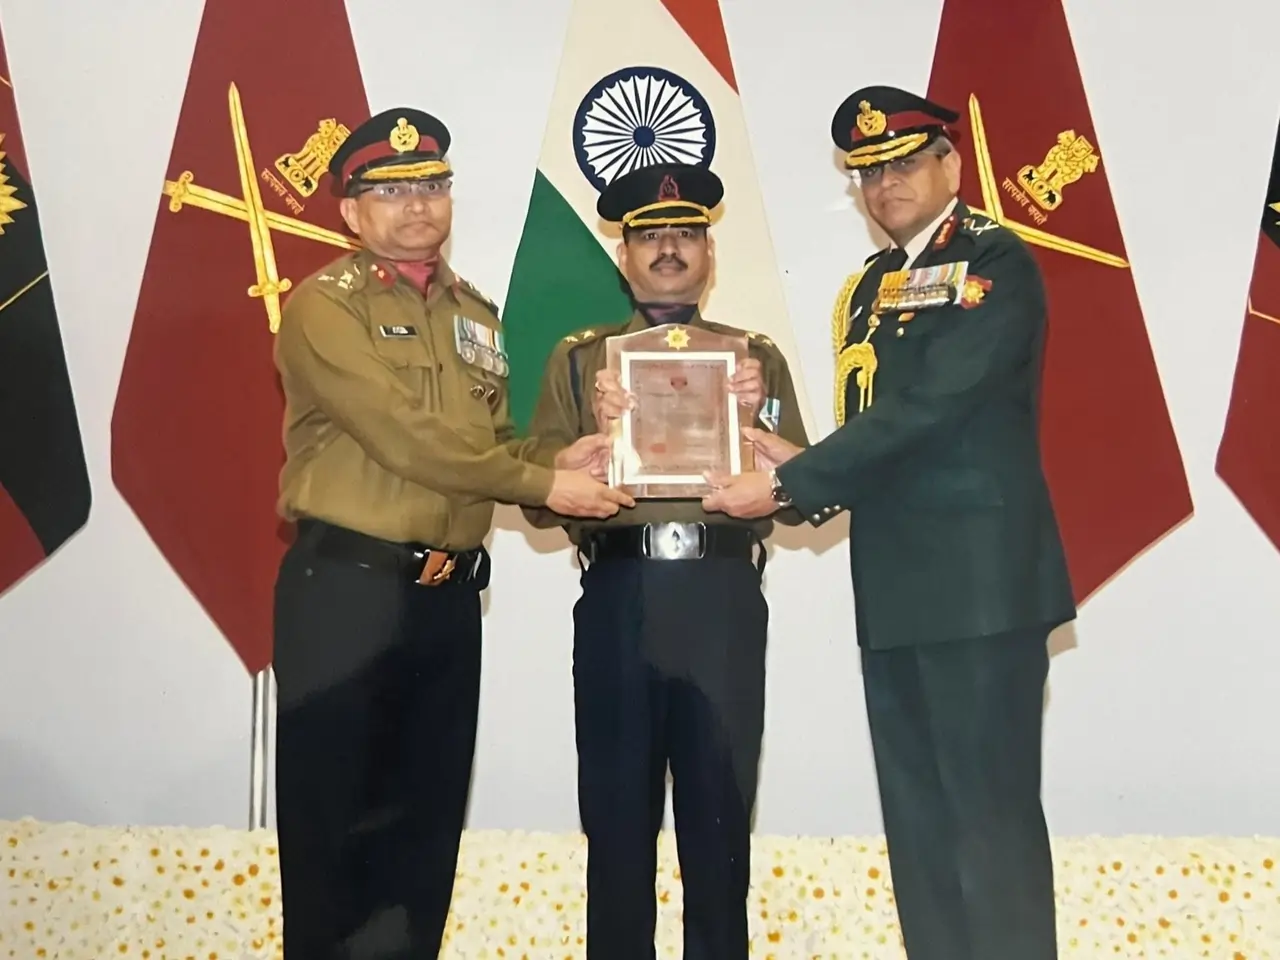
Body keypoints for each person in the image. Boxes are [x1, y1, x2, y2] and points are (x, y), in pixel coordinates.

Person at [701, 86, 1078, 960]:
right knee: (920, 828)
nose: (885, 185)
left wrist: (795, 484)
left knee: (988, 820)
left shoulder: (993, 260)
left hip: (981, 588)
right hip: (898, 585)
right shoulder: (874, 284)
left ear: (951, 164)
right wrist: (782, 455)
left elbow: (936, 409)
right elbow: (880, 424)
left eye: (905, 164)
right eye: (868, 173)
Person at [270, 106, 632, 960]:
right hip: (347, 594)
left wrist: (564, 456)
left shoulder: (478, 314)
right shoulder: (325, 306)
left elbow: (489, 448)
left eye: (430, 184)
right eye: (389, 191)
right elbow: (409, 439)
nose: (415, 205)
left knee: (422, 844)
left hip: (446, 601)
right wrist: (546, 482)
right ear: (352, 211)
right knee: (334, 846)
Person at [522, 161, 809, 960]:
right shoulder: (582, 360)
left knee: (720, 827)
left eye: (686, 234)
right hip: (621, 592)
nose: (670, 250)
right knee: (617, 824)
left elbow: (808, 484)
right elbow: (535, 497)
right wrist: (584, 456)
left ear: (711, 252)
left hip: (719, 595)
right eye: (651, 237)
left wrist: (755, 424)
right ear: (624, 253)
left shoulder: (754, 360)